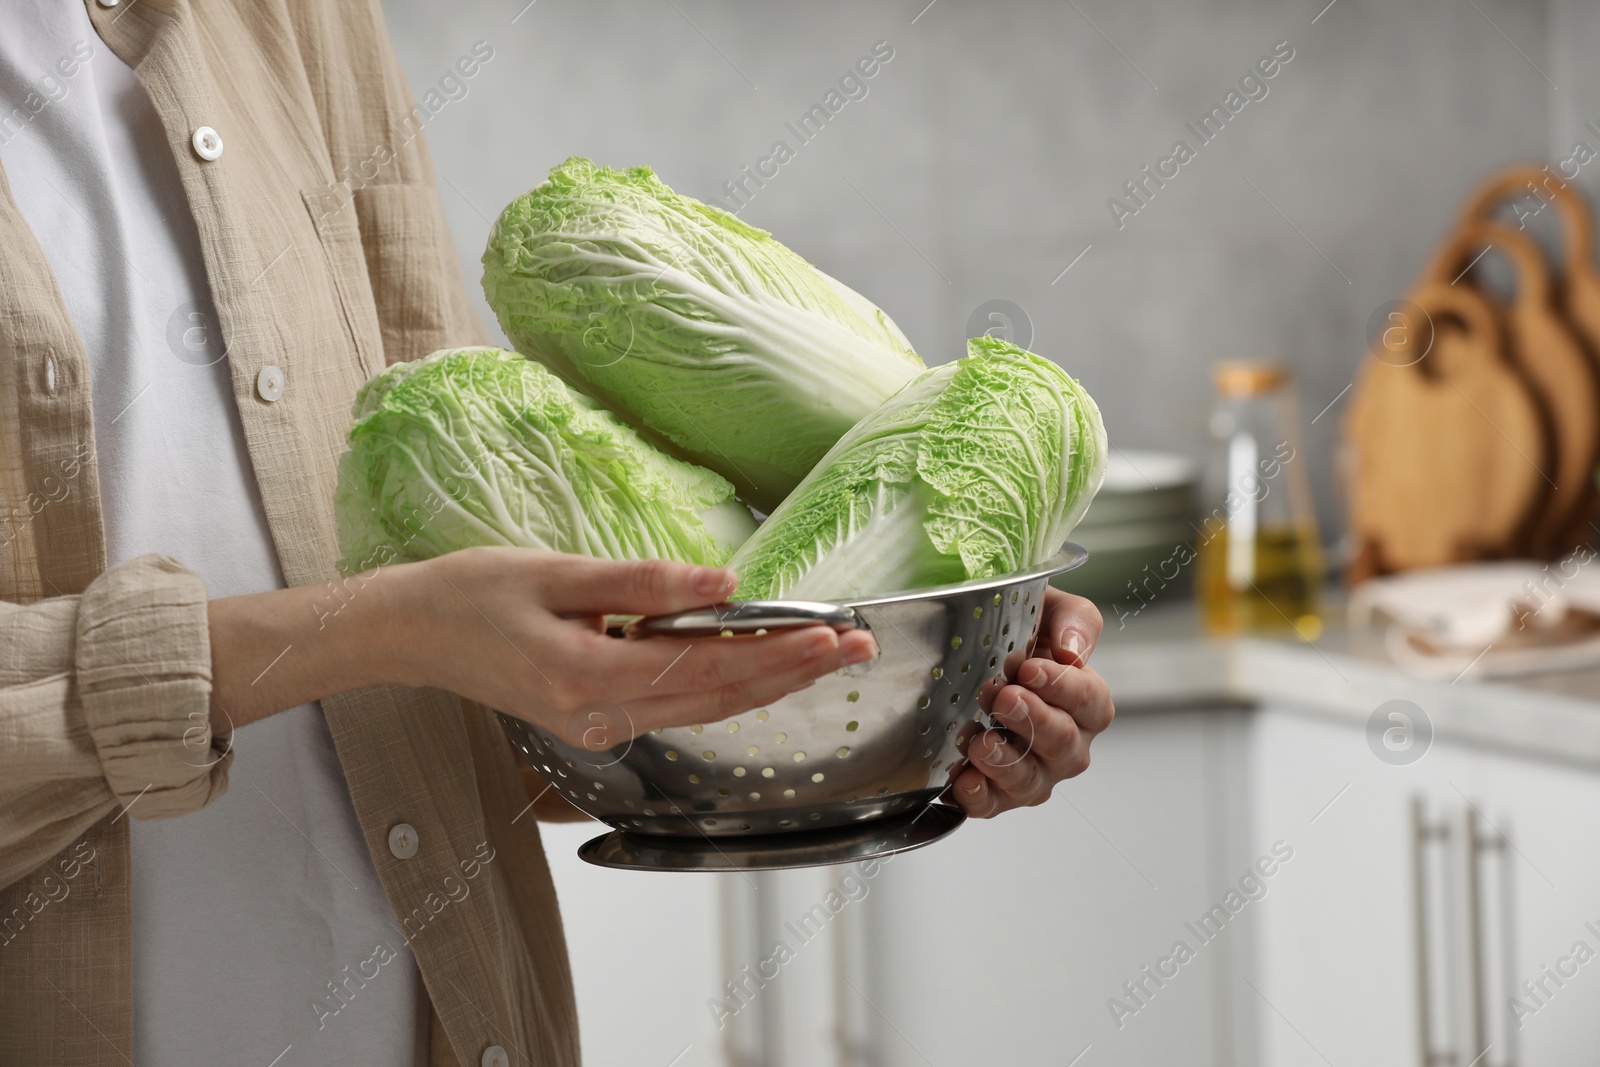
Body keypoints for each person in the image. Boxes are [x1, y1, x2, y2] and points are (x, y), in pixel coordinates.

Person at [0, 0, 1116, 1064]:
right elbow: (416, 619)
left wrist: (931, 667)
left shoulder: (297, 20)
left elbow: (499, 701)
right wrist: (377, 629)